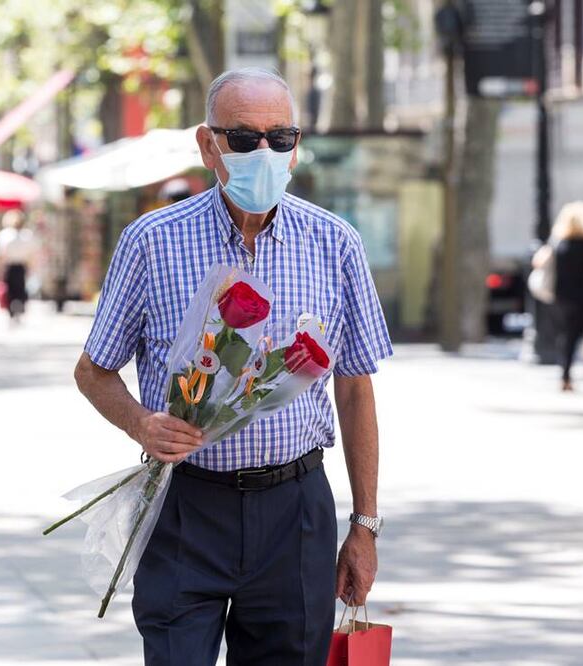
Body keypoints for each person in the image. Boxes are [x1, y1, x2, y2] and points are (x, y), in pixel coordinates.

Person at [73, 68, 393, 665]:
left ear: (297, 145)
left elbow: (355, 390)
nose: (264, 153)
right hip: (184, 507)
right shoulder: (151, 241)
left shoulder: (336, 243)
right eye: (243, 139)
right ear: (208, 144)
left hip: (295, 512)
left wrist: (365, 526)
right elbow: (93, 371)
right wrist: (142, 423)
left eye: (281, 137)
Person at [534, 201, 583, 392]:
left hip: (561, 296)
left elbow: (537, 261)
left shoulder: (558, 243)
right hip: (582, 297)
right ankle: (567, 374)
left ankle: (566, 373)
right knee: (575, 334)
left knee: (567, 335)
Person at [0, 209, 36, 323]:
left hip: (9, 266)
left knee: (11, 289)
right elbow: (32, 253)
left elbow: (0, 254)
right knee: (20, 288)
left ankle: (12, 311)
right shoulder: (27, 235)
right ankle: (19, 308)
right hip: (21, 266)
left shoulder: (4, 235)